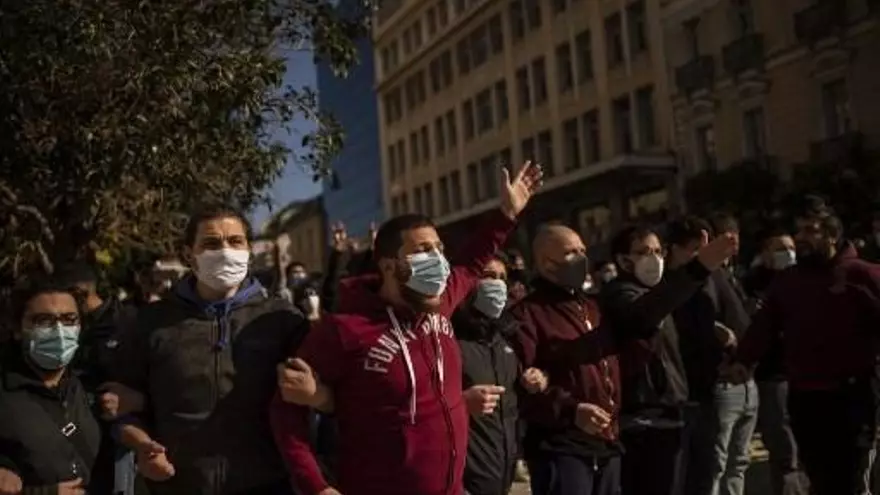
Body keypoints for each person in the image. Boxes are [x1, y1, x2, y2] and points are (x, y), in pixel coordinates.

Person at [269, 161, 543, 495]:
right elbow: (286, 409)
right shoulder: (344, 330)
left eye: (439, 249)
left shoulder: (442, 301)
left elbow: (472, 261)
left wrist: (507, 213)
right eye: (423, 251)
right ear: (387, 265)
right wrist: (316, 485)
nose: (438, 261)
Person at [509, 222, 736, 495]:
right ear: (546, 263)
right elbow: (521, 385)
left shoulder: (593, 308)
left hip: (607, 443)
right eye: (571, 253)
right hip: (562, 446)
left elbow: (627, 345)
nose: (581, 258)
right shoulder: (529, 314)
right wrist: (569, 409)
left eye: (583, 250)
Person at [108, 204, 308, 495]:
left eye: (235, 241)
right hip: (177, 485)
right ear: (189, 255)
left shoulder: (282, 319)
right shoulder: (151, 323)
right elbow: (119, 405)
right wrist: (142, 446)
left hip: (269, 483)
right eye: (212, 243)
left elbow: (318, 401)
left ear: (250, 250)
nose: (226, 251)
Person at [729, 201, 880, 495]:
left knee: (850, 479)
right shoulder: (788, 282)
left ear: (832, 235)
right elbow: (764, 326)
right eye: (798, 231)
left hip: (852, 396)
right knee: (819, 478)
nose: (801, 238)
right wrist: (743, 360)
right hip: (805, 397)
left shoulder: (863, 275)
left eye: (811, 230)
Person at [667, 215, 755, 495]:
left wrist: (740, 356)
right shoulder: (669, 285)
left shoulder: (715, 276)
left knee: (733, 465)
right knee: (706, 471)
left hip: (729, 384)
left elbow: (740, 324)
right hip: (700, 389)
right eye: (696, 248)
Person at [601, 225, 689, 495]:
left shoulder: (658, 294)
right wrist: (697, 270)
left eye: (657, 251)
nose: (654, 258)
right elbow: (643, 315)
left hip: (670, 410)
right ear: (624, 260)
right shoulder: (620, 295)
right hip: (641, 419)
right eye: (643, 252)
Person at [0, 276, 100, 495]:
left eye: (69, 319)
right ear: (17, 329)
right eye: (43, 321)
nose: (59, 330)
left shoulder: (84, 386)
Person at [54, 262, 140, 495]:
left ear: (80, 294)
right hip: (70, 432)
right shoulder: (67, 326)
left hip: (114, 438)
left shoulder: (129, 325)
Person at [454, 255, 534, 495]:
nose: (497, 284)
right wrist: (461, 402)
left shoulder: (507, 338)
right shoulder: (450, 338)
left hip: (502, 473)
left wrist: (535, 380)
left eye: (502, 278)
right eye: (488, 276)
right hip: (466, 479)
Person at [740, 228, 807, 495]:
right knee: (783, 445)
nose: (788, 254)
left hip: (806, 372)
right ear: (765, 253)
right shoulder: (754, 285)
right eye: (779, 248)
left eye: (790, 247)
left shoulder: (806, 280)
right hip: (773, 374)